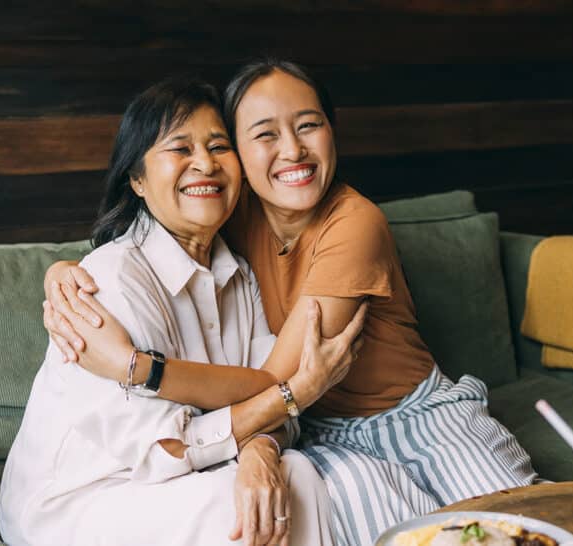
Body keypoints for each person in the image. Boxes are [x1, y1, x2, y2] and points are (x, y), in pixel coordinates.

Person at [45, 59, 537, 546]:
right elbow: (153, 230)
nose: (293, 151)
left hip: (415, 415)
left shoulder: (354, 223)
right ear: (240, 153)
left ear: (332, 132)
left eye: (309, 126)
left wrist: (140, 368)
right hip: (320, 432)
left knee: (518, 524)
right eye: (264, 135)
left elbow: (277, 380)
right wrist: (62, 272)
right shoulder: (230, 214)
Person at [0, 77, 364, 546]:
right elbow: (162, 449)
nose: (205, 164)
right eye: (180, 149)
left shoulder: (239, 276)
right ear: (137, 180)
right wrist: (298, 393)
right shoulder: (108, 282)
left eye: (218, 146)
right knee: (228, 503)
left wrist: (260, 454)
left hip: (184, 473)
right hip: (82, 498)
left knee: (295, 474)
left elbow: (268, 401)